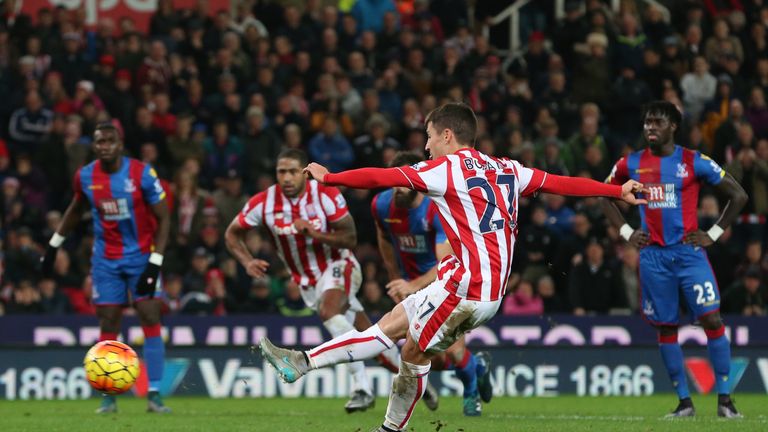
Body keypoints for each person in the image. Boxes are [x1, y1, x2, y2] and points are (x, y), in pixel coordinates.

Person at [260, 102, 646, 432]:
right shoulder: (509, 169)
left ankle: (389, 427)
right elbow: (562, 183)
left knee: (412, 354)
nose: (425, 147)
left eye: (428, 137)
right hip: (471, 284)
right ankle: (302, 361)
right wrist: (616, 190)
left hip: (467, 289)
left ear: (447, 134)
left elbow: (385, 176)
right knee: (391, 324)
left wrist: (332, 179)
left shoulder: (445, 170)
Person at [224, 148, 405, 413]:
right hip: (307, 283)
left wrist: (314, 233)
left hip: (339, 265)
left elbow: (350, 238)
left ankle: (361, 388)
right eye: (281, 172)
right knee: (373, 338)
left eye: (292, 171)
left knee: (329, 312)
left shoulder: (325, 194)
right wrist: (247, 261)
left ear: (305, 173)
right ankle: (416, 382)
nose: (286, 178)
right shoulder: (264, 202)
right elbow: (232, 234)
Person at [602, 100, 748, 419]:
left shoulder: (693, 162)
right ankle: (685, 403)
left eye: (657, 122)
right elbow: (604, 193)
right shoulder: (631, 163)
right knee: (667, 327)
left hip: (688, 253)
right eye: (647, 122)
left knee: (712, 319)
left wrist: (713, 233)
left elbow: (739, 195)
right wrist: (627, 231)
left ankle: (725, 400)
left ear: (673, 126)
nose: (650, 127)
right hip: (653, 256)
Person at [40, 122, 171, 414]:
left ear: (120, 144)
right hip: (106, 260)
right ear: (95, 145)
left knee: (149, 313)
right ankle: (108, 396)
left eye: (110, 141)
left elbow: (164, 218)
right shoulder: (85, 176)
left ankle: (154, 393)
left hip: (141, 256)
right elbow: (75, 209)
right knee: (108, 321)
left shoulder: (142, 174)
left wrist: (155, 263)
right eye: (99, 141)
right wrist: (53, 245)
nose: (104, 146)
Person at [372, 151, 493, 416]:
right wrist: (395, 276)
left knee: (453, 350)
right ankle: (478, 366)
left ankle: (471, 394)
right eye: (394, 181)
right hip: (410, 284)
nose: (397, 188)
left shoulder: (436, 209)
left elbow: (446, 262)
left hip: (447, 282)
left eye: (403, 182)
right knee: (429, 357)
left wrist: (413, 284)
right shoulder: (381, 205)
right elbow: (383, 236)